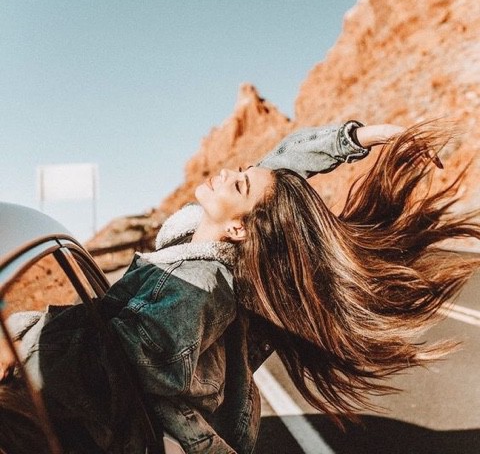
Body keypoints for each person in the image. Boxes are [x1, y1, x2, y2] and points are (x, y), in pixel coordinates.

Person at [1, 120, 478, 453]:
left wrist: (17, 341)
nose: (230, 172)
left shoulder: (195, 288)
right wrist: (353, 138)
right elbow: (276, 173)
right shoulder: (210, 246)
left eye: (240, 185)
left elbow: (100, 369)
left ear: (238, 228)